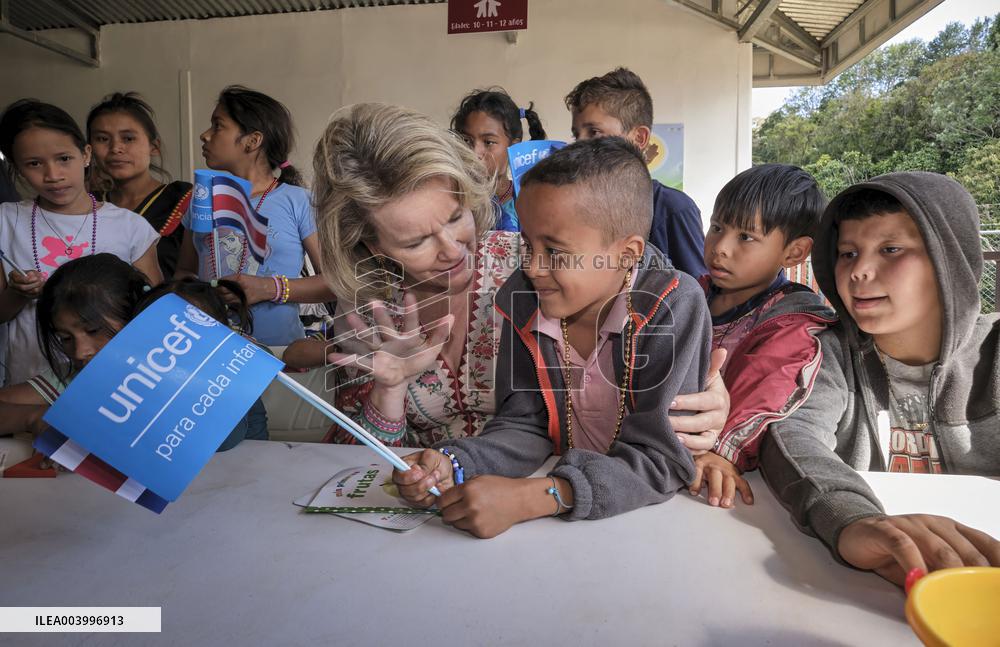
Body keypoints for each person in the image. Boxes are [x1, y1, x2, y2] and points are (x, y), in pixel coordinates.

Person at [310, 102, 728, 452]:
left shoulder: (530, 261)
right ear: (371, 247)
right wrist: (389, 393)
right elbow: (357, 466)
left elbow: (660, 290)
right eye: (417, 241)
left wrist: (718, 395)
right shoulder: (368, 313)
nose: (453, 249)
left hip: (563, 495)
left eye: (458, 216)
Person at [391, 137, 710, 538]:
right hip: (562, 528)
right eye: (527, 243)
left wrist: (537, 497)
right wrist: (455, 463)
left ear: (627, 254)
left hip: (656, 525)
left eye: (555, 252)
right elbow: (525, 423)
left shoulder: (671, 306)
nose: (533, 266)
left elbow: (663, 459)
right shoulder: (523, 300)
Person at [760, 172, 1000, 586]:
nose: (860, 271)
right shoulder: (827, 353)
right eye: (848, 253)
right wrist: (853, 520)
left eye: (890, 249)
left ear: (950, 260)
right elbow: (794, 434)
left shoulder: (993, 353)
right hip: (864, 589)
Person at [0, 254, 265, 453]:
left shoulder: (213, 372)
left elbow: (228, 442)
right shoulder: (80, 378)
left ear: (142, 318)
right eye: (65, 338)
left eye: (94, 331)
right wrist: (36, 417)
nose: (80, 352)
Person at [689, 164, 834, 508]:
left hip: (727, 475)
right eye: (716, 227)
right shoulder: (691, 294)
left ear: (794, 252)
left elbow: (768, 386)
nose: (720, 247)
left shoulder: (792, 318)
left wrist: (723, 451)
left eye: (746, 237)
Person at [0, 99, 161, 385]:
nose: (53, 175)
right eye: (34, 164)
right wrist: (18, 293)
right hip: (30, 377)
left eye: (64, 158)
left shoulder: (130, 226)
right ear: (17, 168)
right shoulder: (6, 221)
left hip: (114, 380)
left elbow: (153, 313)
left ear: (85, 154)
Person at [175, 85, 334, 347]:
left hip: (281, 357)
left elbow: (333, 282)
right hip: (208, 350)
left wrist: (268, 288)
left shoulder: (299, 201)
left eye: (218, 126)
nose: (205, 135)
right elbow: (183, 272)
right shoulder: (201, 200)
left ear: (252, 140)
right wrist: (200, 293)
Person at [565, 67, 707, 278]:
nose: (580, 145)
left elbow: (697, 294)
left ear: (639, 138)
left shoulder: (673, 209)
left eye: (594, 132)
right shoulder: (580, 206)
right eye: (577, 135)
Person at [87, 91, 192, 279]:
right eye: (102, 139)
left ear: (154, 147)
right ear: (89, 149)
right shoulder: (86, 204)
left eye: (128, 138)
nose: (115, 148)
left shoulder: (184, 200)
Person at [450, 88, 545, 231]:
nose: (475, 153)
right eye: (466, 140)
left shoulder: (528, 201)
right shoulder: (452, 198)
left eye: (488, 142)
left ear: (513, 147)